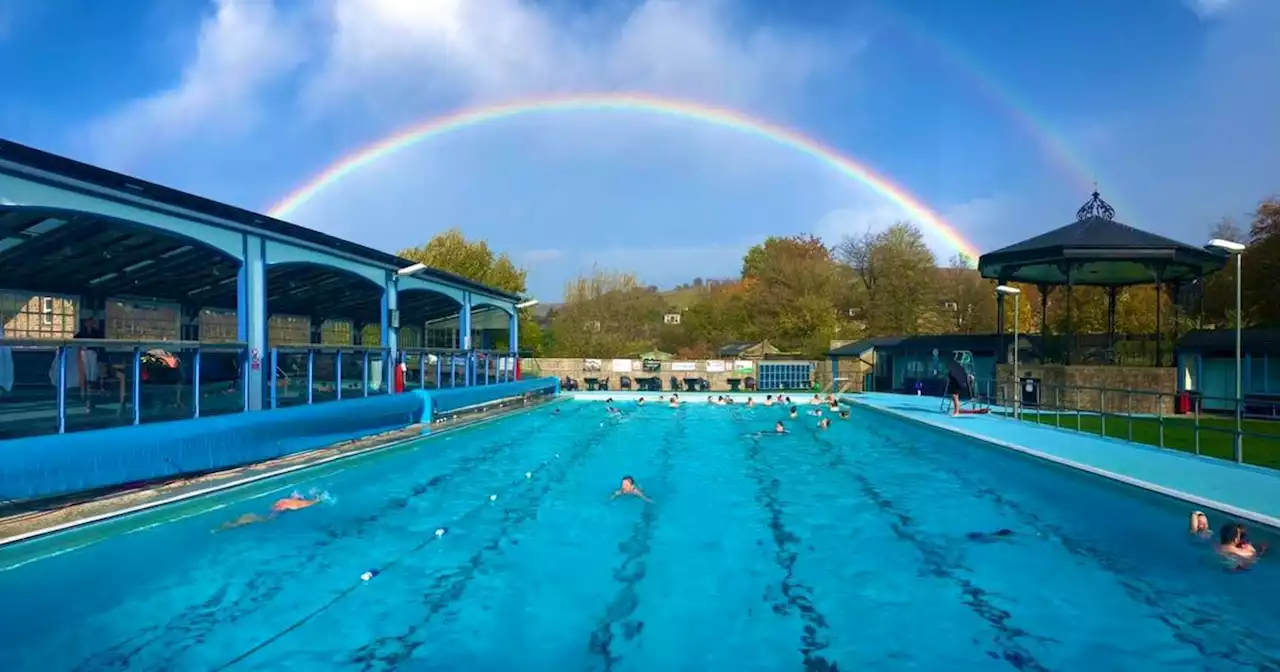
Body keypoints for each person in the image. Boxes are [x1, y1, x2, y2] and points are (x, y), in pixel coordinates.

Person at [217, 492, 324, 530]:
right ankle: (245, 520)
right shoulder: (296, 504)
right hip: (275, 513)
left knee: (259, 516)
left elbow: (274, 506)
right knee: (265, 519)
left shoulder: (284, 499)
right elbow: (311, 503)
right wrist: (318, 500)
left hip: (275, 508)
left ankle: (237, 522)